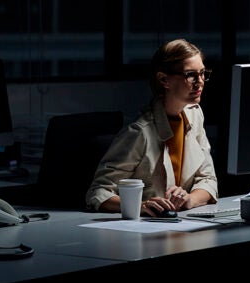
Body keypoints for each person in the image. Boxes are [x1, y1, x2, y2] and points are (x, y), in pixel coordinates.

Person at [85, 38, 218, 215]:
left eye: (202, 73)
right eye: (190, 75)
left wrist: (190, 199)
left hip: (183, 221)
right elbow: (97, 192)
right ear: (164, 80)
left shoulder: (195, 114)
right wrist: (140, 206)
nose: (200, 81)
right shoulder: (139, 132)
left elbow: (208, 179)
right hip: (146, 227)